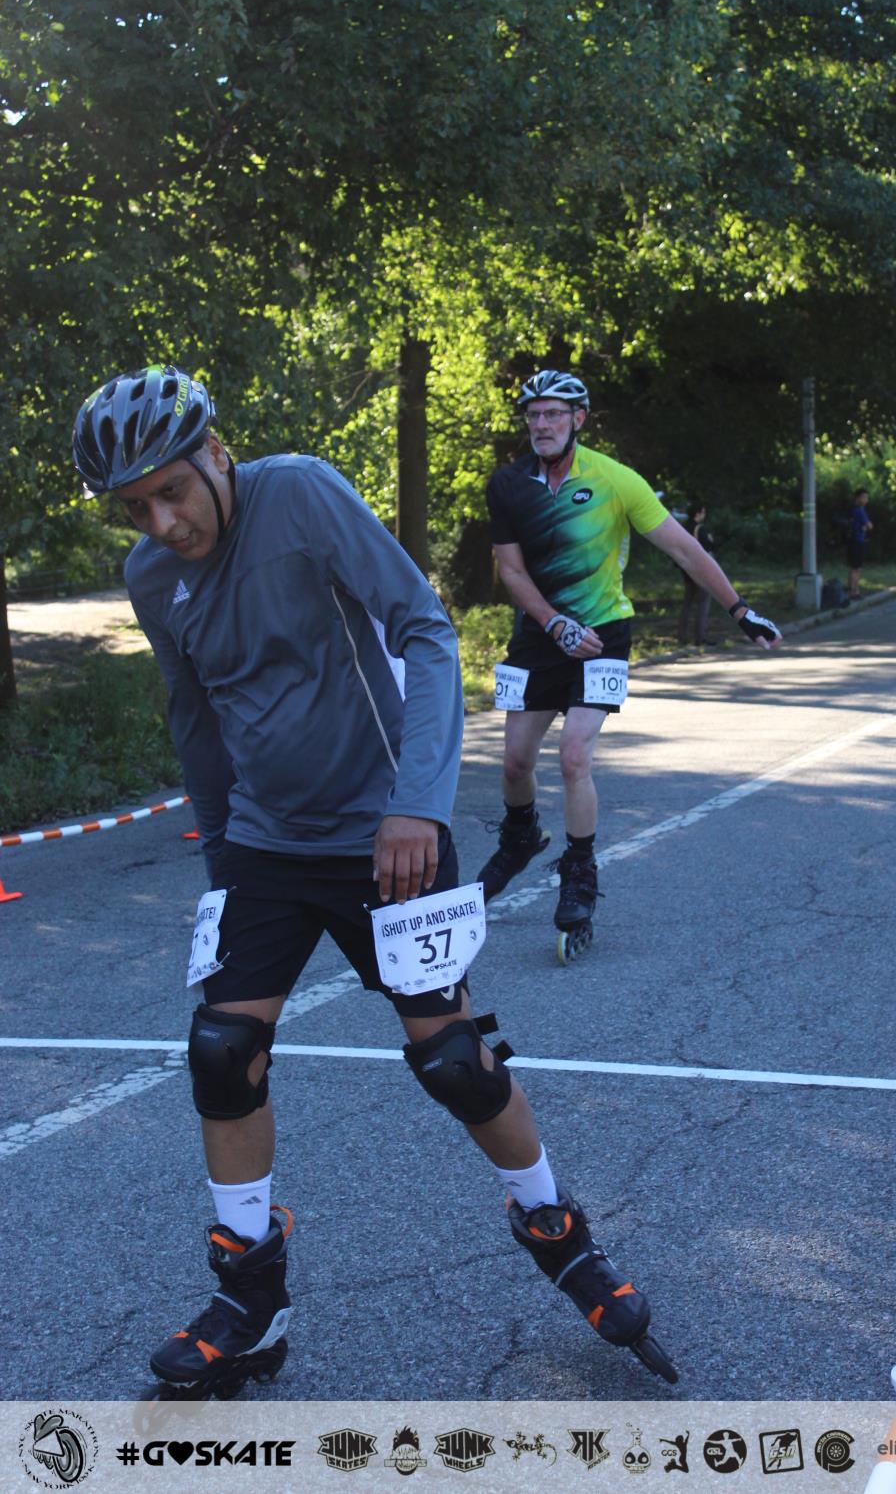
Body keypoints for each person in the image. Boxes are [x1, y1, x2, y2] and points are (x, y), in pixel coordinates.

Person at [71, 363, 676, 1395]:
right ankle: (251, 1299)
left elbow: (424, 631)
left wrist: (418, 805)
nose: (163, 522)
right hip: (263, 847)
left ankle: (559, 1231)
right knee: (222, 1051)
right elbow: (194, 719)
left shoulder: (300, 493)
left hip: (391, 832)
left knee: (453, 1062)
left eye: (172, 491)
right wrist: (221, 866)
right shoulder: (151, 576)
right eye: (136, 508)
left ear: (215, 454)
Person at [479, 369, 782, 939]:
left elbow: (684, 551)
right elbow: (512, 572)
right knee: (515, 760)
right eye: (533, 415)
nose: (541, 424)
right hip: (540, 634)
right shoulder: (508, 484)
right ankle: (520, 836)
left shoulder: (616, 481)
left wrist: (740, 610)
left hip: (604, 634)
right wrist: (554, 623)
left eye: (553, 414)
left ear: (578, 419)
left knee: (574, 755)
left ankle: (579, 871)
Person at [676, 502, 715, 647]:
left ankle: (682, 637)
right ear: (698, 513)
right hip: (700, 571)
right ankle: (700, 637)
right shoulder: (700, 529)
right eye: (703, 512)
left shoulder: (682, 528)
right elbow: (709, 546)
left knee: (687, 604)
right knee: (703, 603)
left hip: (686, 570)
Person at [846, 487, 873, 599]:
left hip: (852, 540)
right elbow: (869, 525)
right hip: (857, 541)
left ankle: (851, 590)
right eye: (864, 497)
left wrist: (864, 527)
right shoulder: (860, 511)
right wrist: (865, 527)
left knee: (854, 567)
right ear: (858, 498)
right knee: (856, 568)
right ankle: (854, 592)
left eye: (867, 498)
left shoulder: (852, 510)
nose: (866, 500)